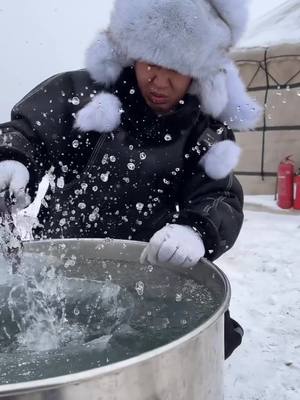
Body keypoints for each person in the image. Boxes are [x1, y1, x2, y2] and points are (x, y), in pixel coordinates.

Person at [0, 0, 261, 358]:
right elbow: (28, 130)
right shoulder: (81, 94)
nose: (159, 79)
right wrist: (13, 159)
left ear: (198, 72)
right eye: (150, 61)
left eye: (177, 69)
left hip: (151, 272)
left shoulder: (206, 131)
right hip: (63, 266)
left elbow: (219, 195)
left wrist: (197, 229)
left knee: (206, 340)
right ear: (130, 53)